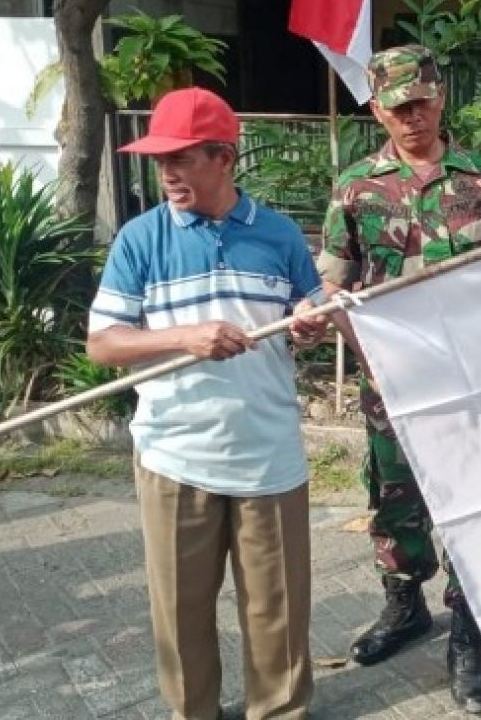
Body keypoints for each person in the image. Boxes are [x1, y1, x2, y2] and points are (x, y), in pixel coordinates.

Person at [88, 87, 324, 720]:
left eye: (182, 158)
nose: (166, 173)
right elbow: (103, 344)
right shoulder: (140, 240)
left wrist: (308, 319)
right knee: (180, 609)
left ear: (224, 157)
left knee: (276, 609)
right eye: (159, 159)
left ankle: (279, 712)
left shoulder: (278, 236)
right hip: (174, 454)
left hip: (268, 453)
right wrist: (183, 337)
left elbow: (315, 309)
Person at [294, 44, 481, 714]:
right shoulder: (357, 187)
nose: (411, 118)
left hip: (470, 381)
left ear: (440, 96)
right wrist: (312, 309)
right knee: (395, 498)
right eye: (397, 108)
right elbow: (333, 277)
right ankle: (405, 606)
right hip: (391, 380)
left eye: (421, 103)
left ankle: (470, 630)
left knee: (471, 501)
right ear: (378, 109)